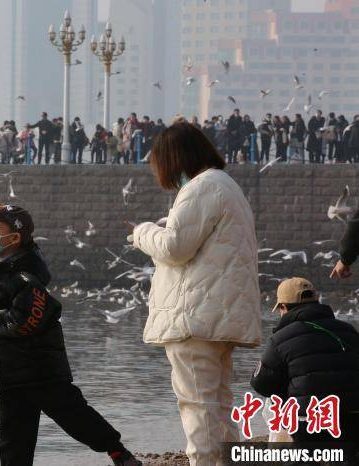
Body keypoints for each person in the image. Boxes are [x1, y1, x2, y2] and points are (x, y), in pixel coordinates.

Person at [0, 198, 141, 466]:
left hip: (39, 369)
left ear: (14, 237)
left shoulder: (25, 274)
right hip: (12, 372)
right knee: (12, 438)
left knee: (73, 416)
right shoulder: (4, 264)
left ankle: (120, 454)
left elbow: (27, 318)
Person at [130, 122, 260, 465]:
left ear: (176, 158)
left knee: (197, 406)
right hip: (219, 315)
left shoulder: (202, 187)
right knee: (218, 403)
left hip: (194, 319)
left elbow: (174, 248)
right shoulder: (227, 186)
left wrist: (143, 232)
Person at [250, 278, 359, 449]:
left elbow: (261, 384)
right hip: (352, 418)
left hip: (309, 422)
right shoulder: (349, 330)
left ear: (284, 308)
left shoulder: (280, 338)